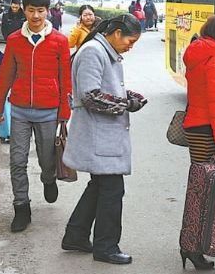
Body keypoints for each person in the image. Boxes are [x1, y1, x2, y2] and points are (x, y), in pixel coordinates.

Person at [62, 14, 146, 265]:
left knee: (100, 186)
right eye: (130, 41)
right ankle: (106, 246)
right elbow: (91, 96)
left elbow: (107, 89)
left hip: (104, 134)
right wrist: (126, 104)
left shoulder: (103, 51)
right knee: (112, 190)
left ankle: (75, 235)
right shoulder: (93, 51)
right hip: (99, 134)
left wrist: (130, 96)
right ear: (116, 33)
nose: (131, 46)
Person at [0, 0, 72, 233]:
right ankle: (21, 207)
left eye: (40, 10)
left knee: (47, 159)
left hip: (49, 111)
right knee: (17, 160)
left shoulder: (59, 41)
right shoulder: (15, 39)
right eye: (31, 10)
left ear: (47, 11)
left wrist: (64, 111)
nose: (35, 15)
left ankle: (48, 180)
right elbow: (5, 75)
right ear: (24, 10)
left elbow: (65, 79)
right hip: (20, 110)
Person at [180, 13, 215, 270]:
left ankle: (193, 244)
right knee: (204, 191)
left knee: (200, 187)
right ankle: (193, 246)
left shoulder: (200, 53)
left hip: (197, 127)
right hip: (206, 131)